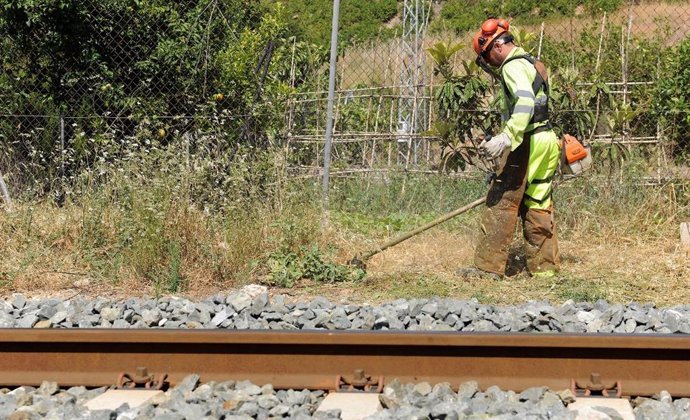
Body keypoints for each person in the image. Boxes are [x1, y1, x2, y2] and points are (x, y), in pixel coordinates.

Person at [458, 18, 561, 280]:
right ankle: (544, 270)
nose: (491, 64)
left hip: (527, 142)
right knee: (539, 202)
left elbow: (525, 102)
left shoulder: (511, 66)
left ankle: (487, 268)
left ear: (495, 48)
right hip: (547, 138)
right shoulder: (533, 63)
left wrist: (507, 136)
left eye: (488, 58)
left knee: (501, 201)